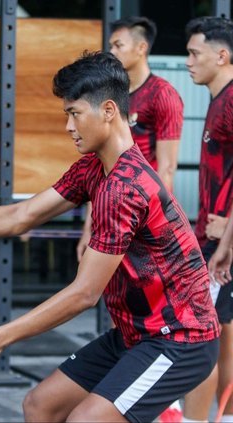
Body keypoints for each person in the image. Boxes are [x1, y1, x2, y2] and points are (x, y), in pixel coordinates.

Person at [0, 51, 220, 422]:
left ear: (107, 110)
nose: (68, 126)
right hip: (137, 334)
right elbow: (22, 215)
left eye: (74, 114)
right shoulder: (93, 168)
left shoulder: (125, 186)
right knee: (40, 405)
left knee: (84, 420)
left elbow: (84, 294)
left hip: (180, 339)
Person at [76, 16, 184, 262]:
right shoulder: (112, 97)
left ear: (141, 48)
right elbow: (100, 165)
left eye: (118, 45)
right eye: (111, 46)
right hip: (109, 208)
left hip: (143, 214)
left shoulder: (163, 94)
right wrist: (88, 229)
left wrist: (156, 229)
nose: (111, 51)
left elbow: (167, 168)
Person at [179, 16, 233, 423]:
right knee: (220, 339)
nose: (188, 61)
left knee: (198, 340)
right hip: (214, 238)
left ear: (223, 55)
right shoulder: (218, 101)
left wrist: (228, 235)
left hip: (221, 243)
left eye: (195, 53)